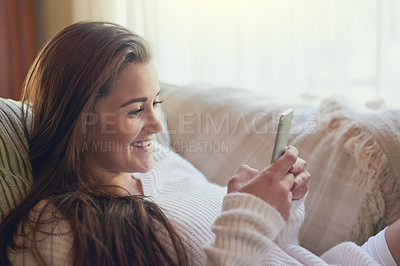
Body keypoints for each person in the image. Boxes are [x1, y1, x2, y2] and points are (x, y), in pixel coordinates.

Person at [0, 21, 398, 266]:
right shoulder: (52, 231)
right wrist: (248, 218)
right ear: (79, 120)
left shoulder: (160, 161)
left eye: (156, 102)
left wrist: (277, 211)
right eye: (136, 110)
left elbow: (271, 254)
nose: (157, 124)